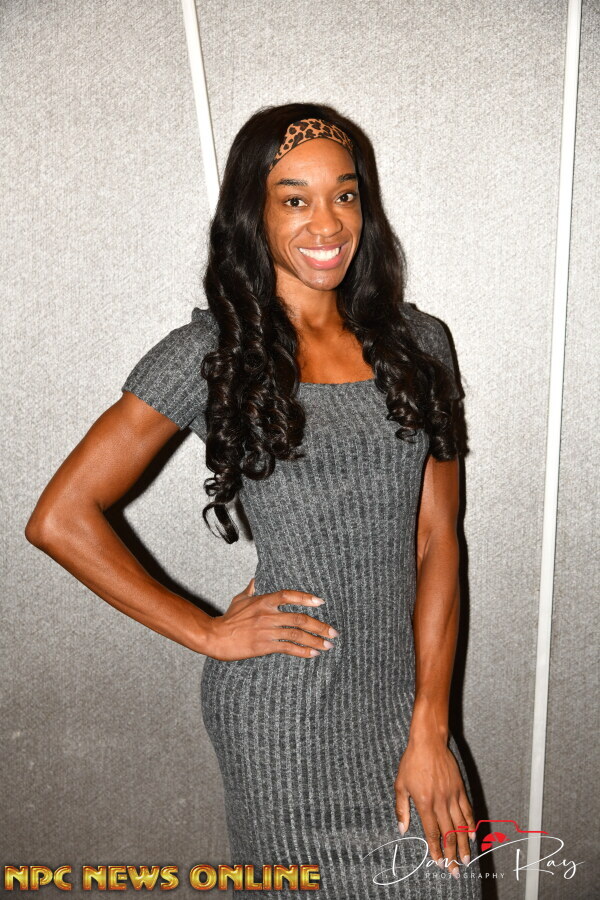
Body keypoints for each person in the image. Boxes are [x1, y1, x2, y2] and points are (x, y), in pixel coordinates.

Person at [25, 103, 482, 897]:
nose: (326, 223)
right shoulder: (212, 353)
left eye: (344, 195)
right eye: (294, 199)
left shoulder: (421, 344)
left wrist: (430, 726)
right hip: (286, 724)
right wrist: (206, 630)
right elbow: (60, 519)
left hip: (405, 712)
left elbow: (437, 540)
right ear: (254, 213)